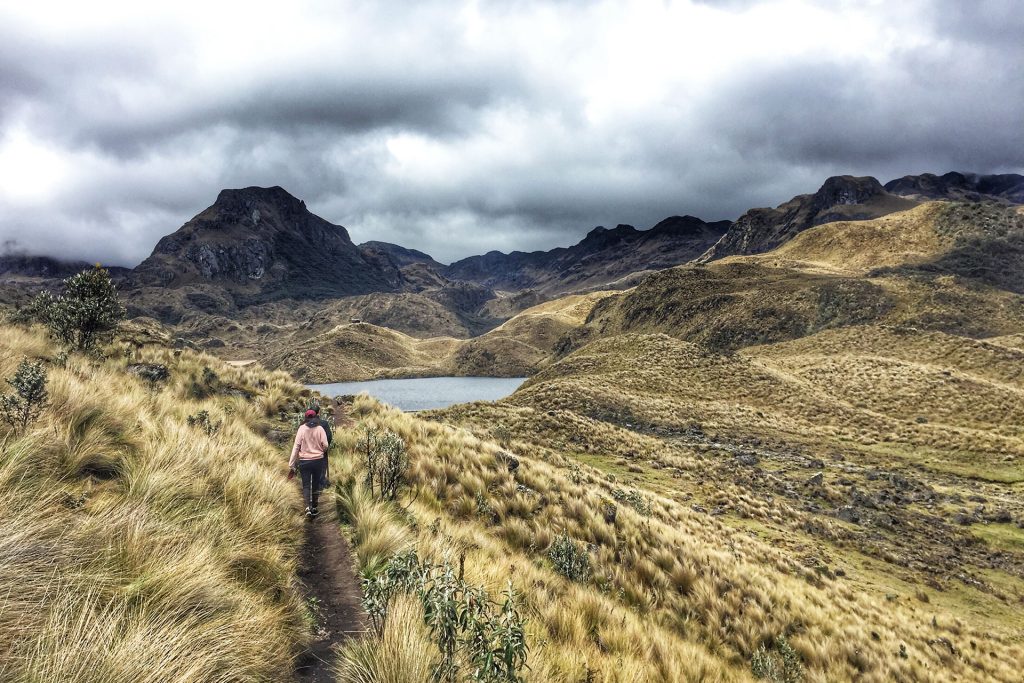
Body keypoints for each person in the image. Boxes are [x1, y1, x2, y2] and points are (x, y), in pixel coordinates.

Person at [289, 409, 328, 518]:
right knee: (315, 483)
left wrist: (291, 464)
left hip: (304, 461)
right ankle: (314, 507)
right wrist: (320, 451)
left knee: (306, 485)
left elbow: (296, 446)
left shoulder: (301, 428)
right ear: (315, 417)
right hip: (317, 461)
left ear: (305, 418)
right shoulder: (320, 429)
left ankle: (307, 508)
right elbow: (325, 445)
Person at [311, 404, 333, 487]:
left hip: (309, 450)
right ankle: (320, 484)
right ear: (319, 413)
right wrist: (325, 448)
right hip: (322, 449)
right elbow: (329, 436)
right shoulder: (324, 423)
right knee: (322, 465)